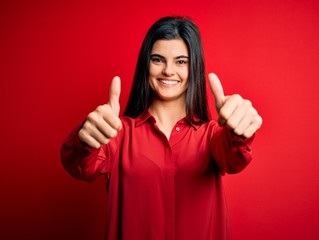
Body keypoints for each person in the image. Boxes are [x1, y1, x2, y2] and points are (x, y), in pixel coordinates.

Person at [61, 16, 262, 240]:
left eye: (181, 61)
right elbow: (79, 165)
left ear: (194, 67)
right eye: (158, 59)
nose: (168, 70)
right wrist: (85, 138)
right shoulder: (117, 134)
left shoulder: (211, 136)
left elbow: (235, 158)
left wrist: (240, 132)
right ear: (145, 65)